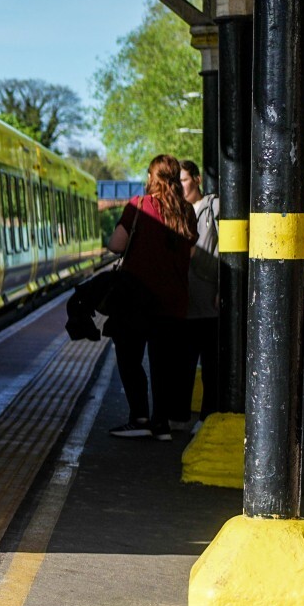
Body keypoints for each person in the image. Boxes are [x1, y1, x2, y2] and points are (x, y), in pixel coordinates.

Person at [104, 154, 197, 440]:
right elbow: (190, 253)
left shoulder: (140, 205)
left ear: (152, 178)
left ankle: (139, 417)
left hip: (136, 299)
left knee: (129, 358)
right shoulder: (187, 211)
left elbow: (116, 245)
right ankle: (161, 424)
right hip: (174, 301)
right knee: (164, 364)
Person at [180, 160, 220, 422]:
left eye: (183, 180)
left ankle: (208, 417)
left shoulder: (213, 206)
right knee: (182, 365)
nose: (180, 186)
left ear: (196, 179)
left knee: (210, 367)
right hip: (183, 301)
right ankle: (180, 415)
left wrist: (223, 286)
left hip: (208, 298)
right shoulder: (177, 211)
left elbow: (229, 247)